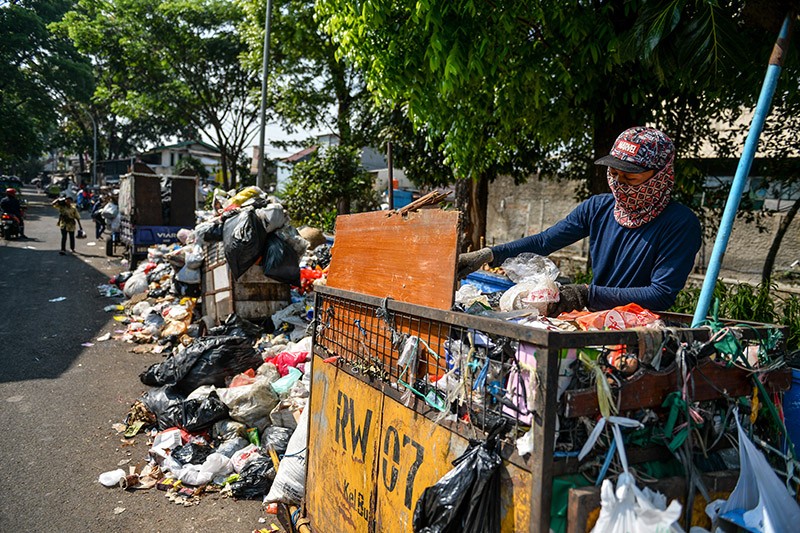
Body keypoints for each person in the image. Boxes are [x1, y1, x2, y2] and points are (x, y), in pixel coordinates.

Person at [458, 126, 702, 316]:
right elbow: (545, 241)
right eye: (614, 174)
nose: (619, 184)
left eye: (630, 177)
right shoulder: (599, 207)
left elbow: (660, 293)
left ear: (660, 177)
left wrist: (586, 293)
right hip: (594, 319)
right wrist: (489, 254)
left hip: (638, 326)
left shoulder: (680, 223)